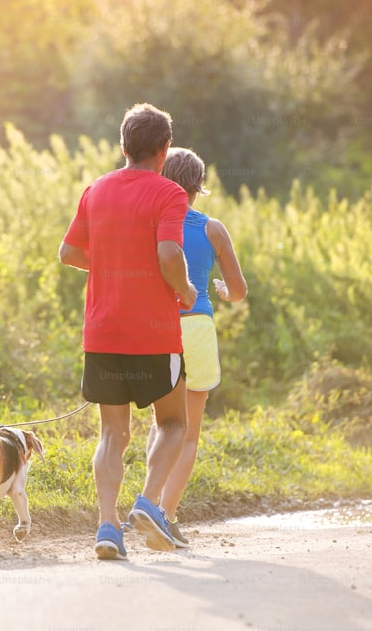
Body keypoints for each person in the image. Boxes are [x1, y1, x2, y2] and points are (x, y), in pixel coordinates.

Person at [58, 103, 197, 560]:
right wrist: (187, 291)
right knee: (173, 422)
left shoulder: (95, 191)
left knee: (112, 434)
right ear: (165, 148)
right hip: (152, 335)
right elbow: (170, 256)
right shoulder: (170, 193)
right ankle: (148, 503)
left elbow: (68, 251)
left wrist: (114, 266)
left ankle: (107, 527)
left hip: (102, 333)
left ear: (123, 146)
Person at [147, 146, 248, 548]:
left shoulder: (153, 223)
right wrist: (222, 291)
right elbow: (239, 291)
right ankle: (166, 516)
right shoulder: (213, 229)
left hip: (156, 329)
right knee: (187, 434)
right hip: (199, 329)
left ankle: (146, 504)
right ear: (199, 186)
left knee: (160, 426)